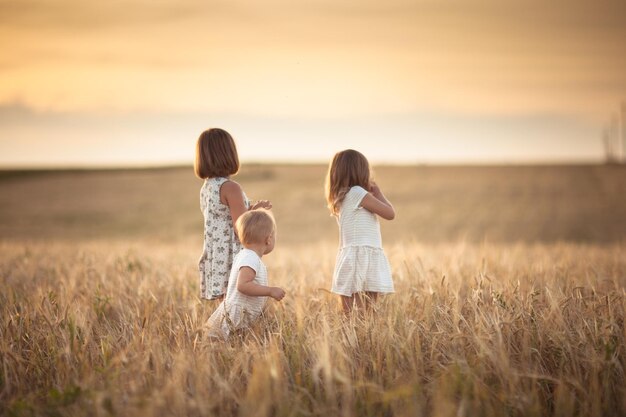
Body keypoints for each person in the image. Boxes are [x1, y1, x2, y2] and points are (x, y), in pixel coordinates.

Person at [194, 128, 271, 301]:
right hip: (231, 253)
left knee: (226, 305)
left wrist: (252, 209)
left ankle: (222, 328)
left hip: (216, 255)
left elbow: (224, 218)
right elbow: (241, 227)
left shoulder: (207, 187)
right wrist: (259, 217)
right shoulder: (230, 187)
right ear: (229, 154)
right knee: (238, 302)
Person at [325, 149, 395, 312]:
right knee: (369, 311)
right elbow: (390, 214)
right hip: (363, 256)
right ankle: (365, 335)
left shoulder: (341, 196)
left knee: (350, 312)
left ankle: (350, 335)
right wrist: (379, 193)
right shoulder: (358, 193)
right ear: (361, 171)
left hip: (352, 256)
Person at [206, 209, 286, 339]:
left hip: (241, 312)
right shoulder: (251, 258)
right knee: (231, 343)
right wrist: (270, 291)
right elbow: (242, 285)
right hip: (238, 316)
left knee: (232, 345)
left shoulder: (246, 255)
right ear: (269, 239)